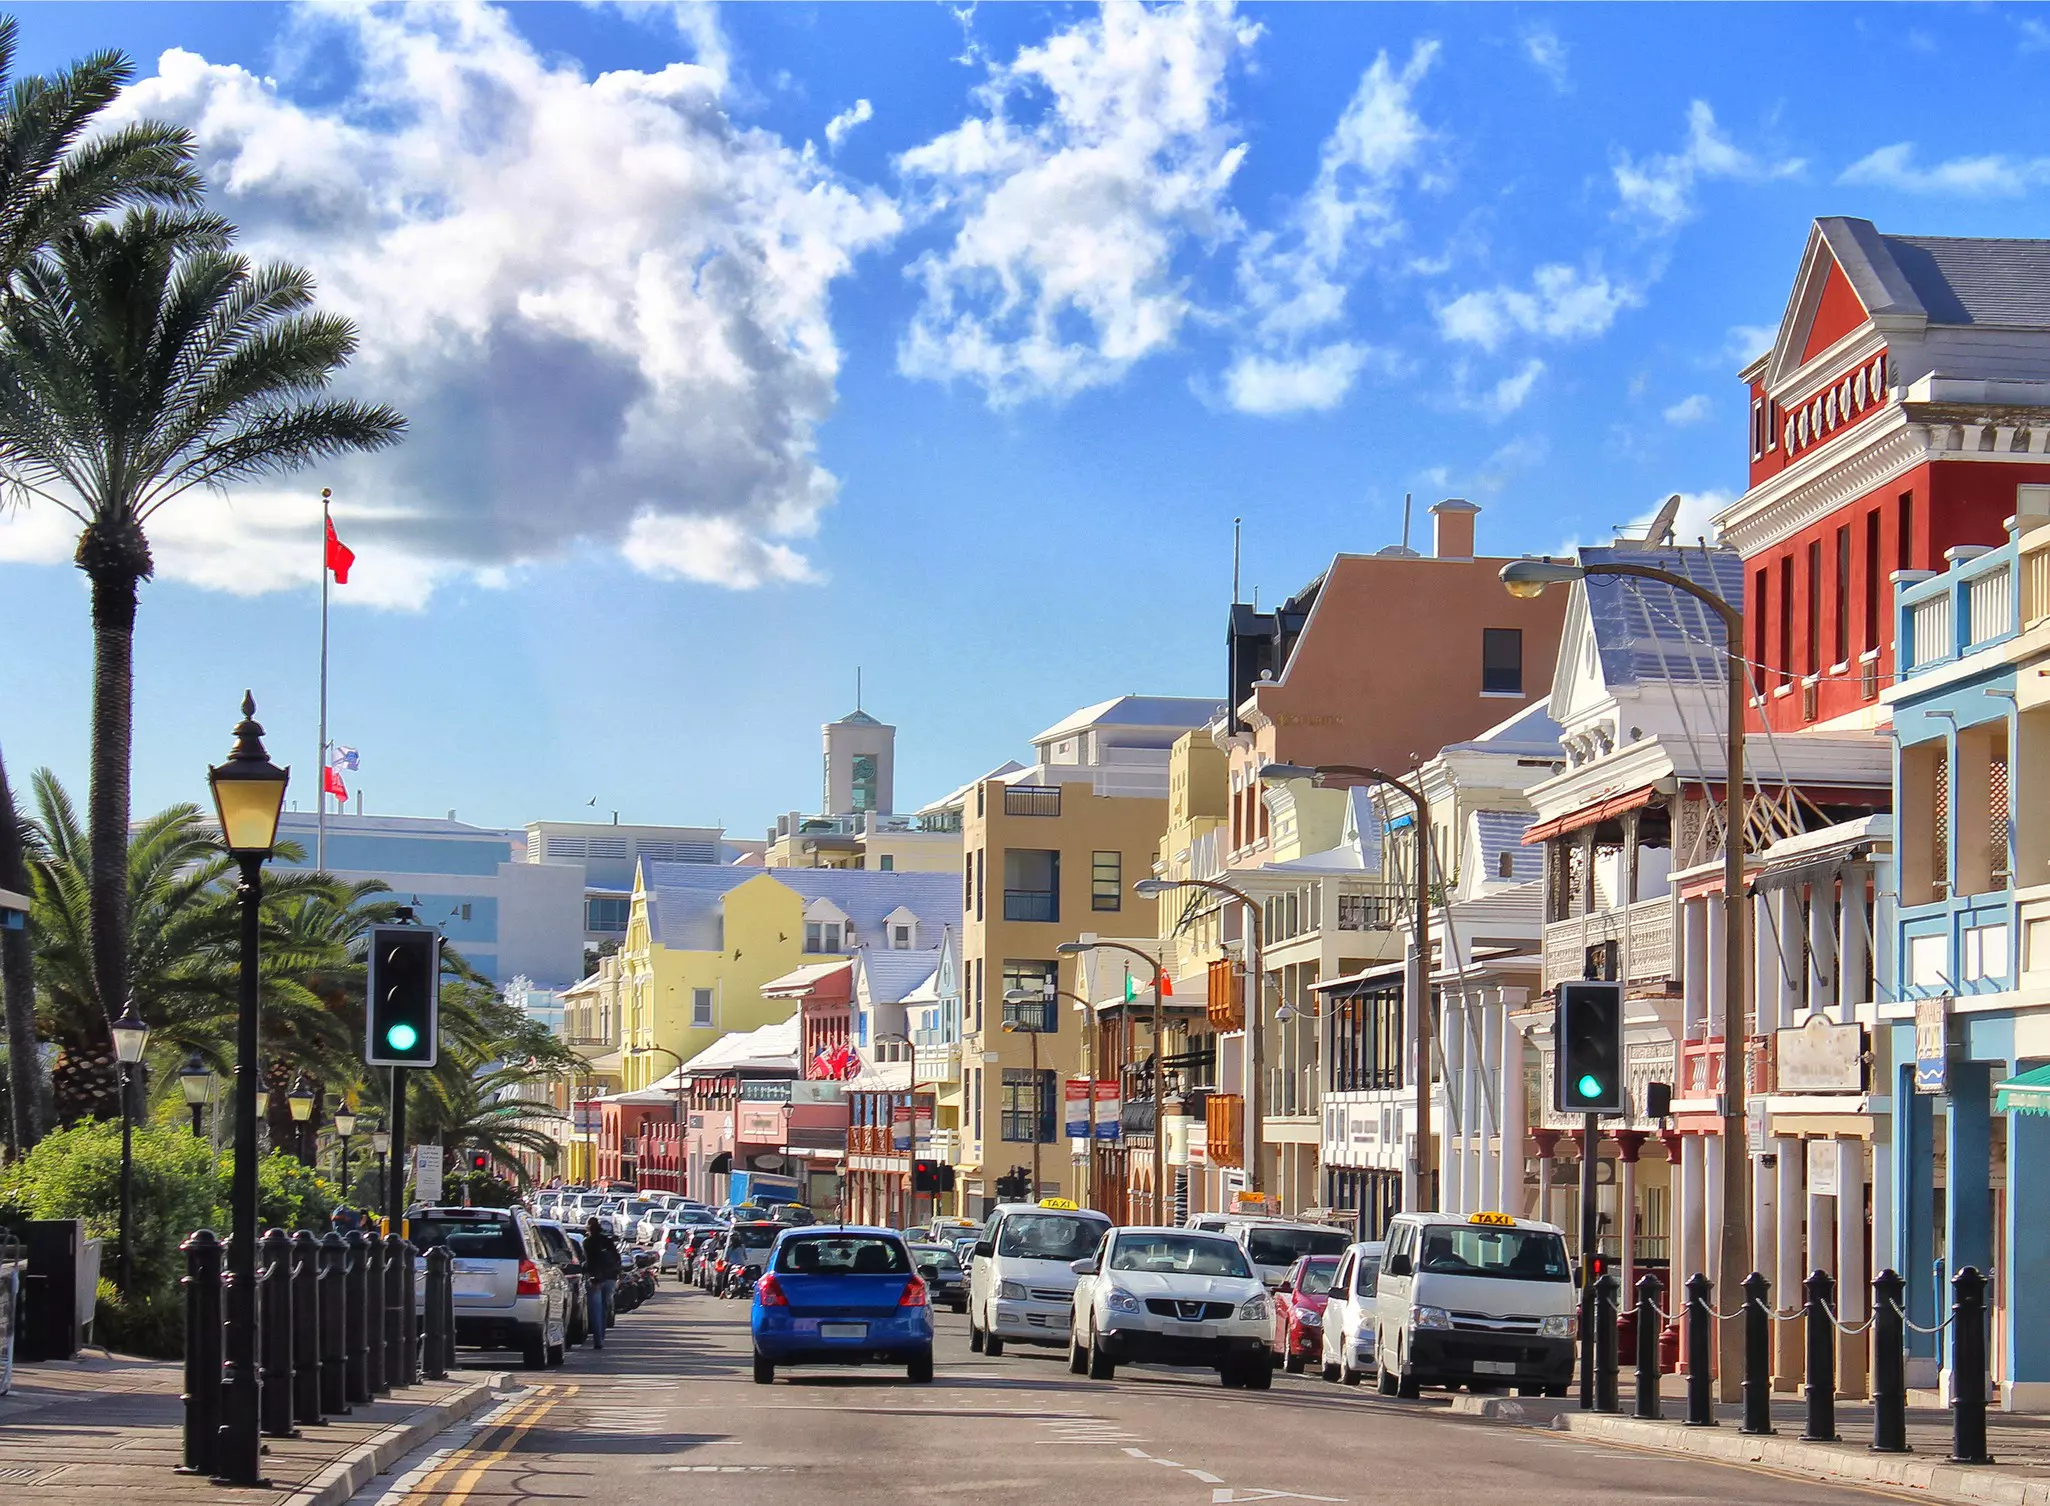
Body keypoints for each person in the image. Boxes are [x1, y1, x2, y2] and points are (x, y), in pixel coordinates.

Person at [583, 1216, 623, 1348]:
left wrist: (586, 1270)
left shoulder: (587, 1242)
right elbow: (617, 1258)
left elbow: (588, 1262)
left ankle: (598, 1339)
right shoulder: (607, 1241)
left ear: (588, 1229)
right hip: (610, 1277)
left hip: (595, 1279)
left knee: (596, 1310)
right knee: (605, 1308)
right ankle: (601, 1335)